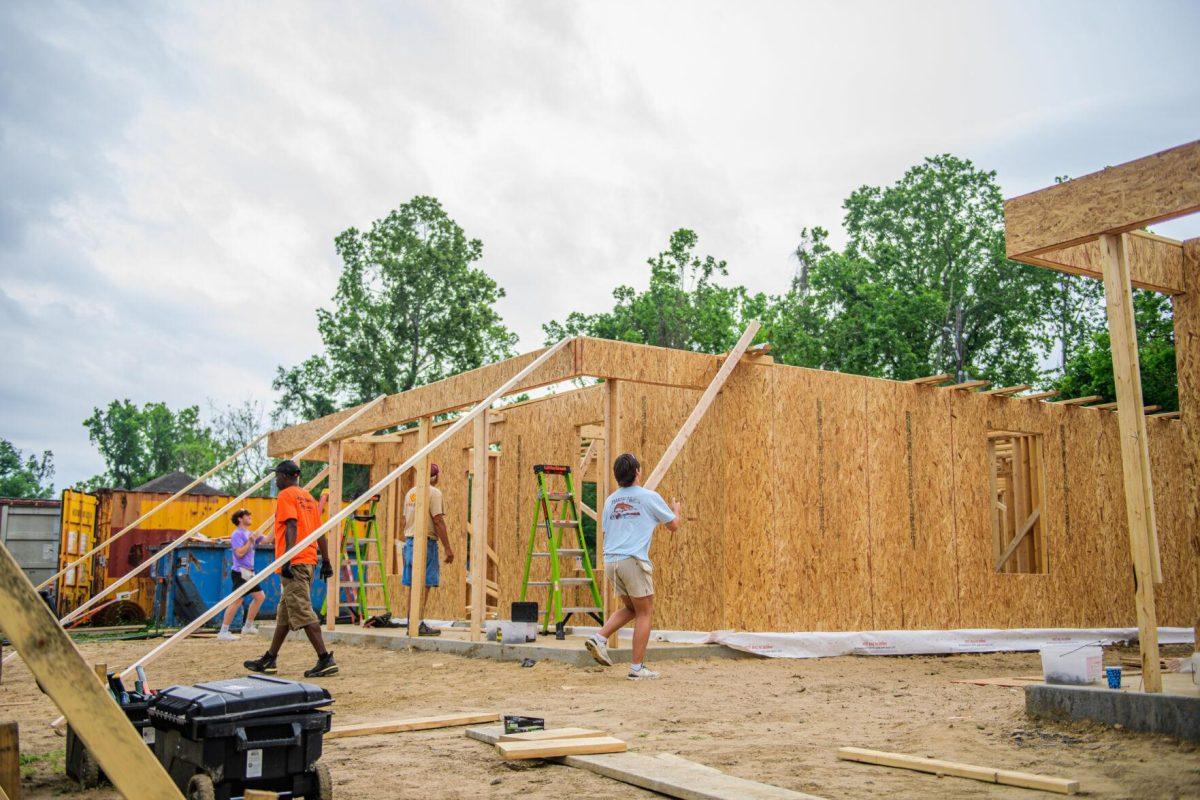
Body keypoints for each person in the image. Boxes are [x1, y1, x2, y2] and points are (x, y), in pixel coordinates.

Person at [585, 453, 681, 680]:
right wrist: (675, 510)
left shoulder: (610, 501)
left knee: (631, 609)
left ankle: (599, 638)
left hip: (611, 561)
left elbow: (607, 531)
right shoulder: (649, 497)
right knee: (645, 612)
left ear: (617, 476)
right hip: (633, 561)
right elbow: (673, 526)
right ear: (637, 472)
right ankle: (637, 668)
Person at [244, 460, 338, 677]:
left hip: (294, 562)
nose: (276, 480)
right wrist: (326, 560)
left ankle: (325, 659)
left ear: (286, 476)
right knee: (284, 615)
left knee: (303, 611)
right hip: (308, 561)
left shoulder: (286, 495)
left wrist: (286, 559)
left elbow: (291, 525)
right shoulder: (309, 498)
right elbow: (319, 532)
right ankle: (270, 659)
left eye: (277, 476)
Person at [402, 463, 454, 636]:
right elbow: (438, 520)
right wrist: (447, 548)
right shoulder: (434, 493)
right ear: (435, 477)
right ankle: (417, 625)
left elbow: (405, 519)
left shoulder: (411, 493)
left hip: (409, 542)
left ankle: (411, 624)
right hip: (425, 542)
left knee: (413, 586)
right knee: (424, 585)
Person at [217, 509, 266, 641]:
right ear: (240, 519)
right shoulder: (237, 535)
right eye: (247, 515)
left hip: (249, 572)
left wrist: (276, 524)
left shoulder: (251, 533)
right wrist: (250, 542)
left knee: (259, 597)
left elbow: (268, 540)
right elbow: (239, 553)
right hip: (240, 572)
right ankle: (223, 631)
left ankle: (248, 626)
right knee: (237, 600)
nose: (250, 517)